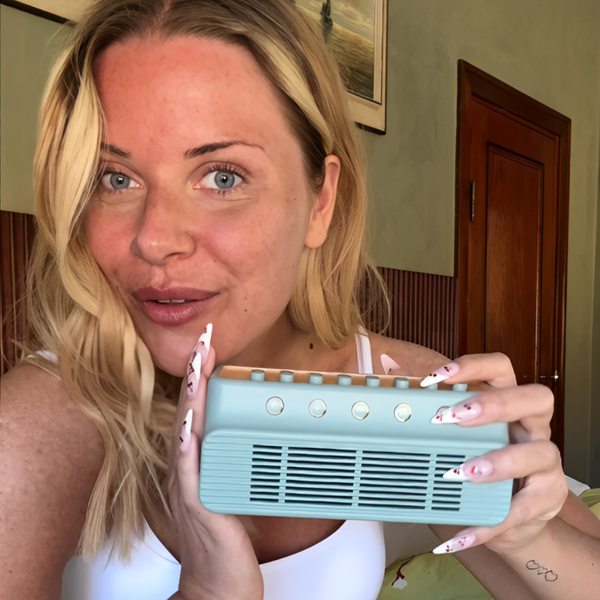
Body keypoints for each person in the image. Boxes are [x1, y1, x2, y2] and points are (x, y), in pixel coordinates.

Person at [1, 1, 599, 599]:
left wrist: (529, 541)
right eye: (116, 178)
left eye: (222, 177)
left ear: (320, 202)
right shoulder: (33, 429)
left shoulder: (401, 388)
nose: (154, 239)